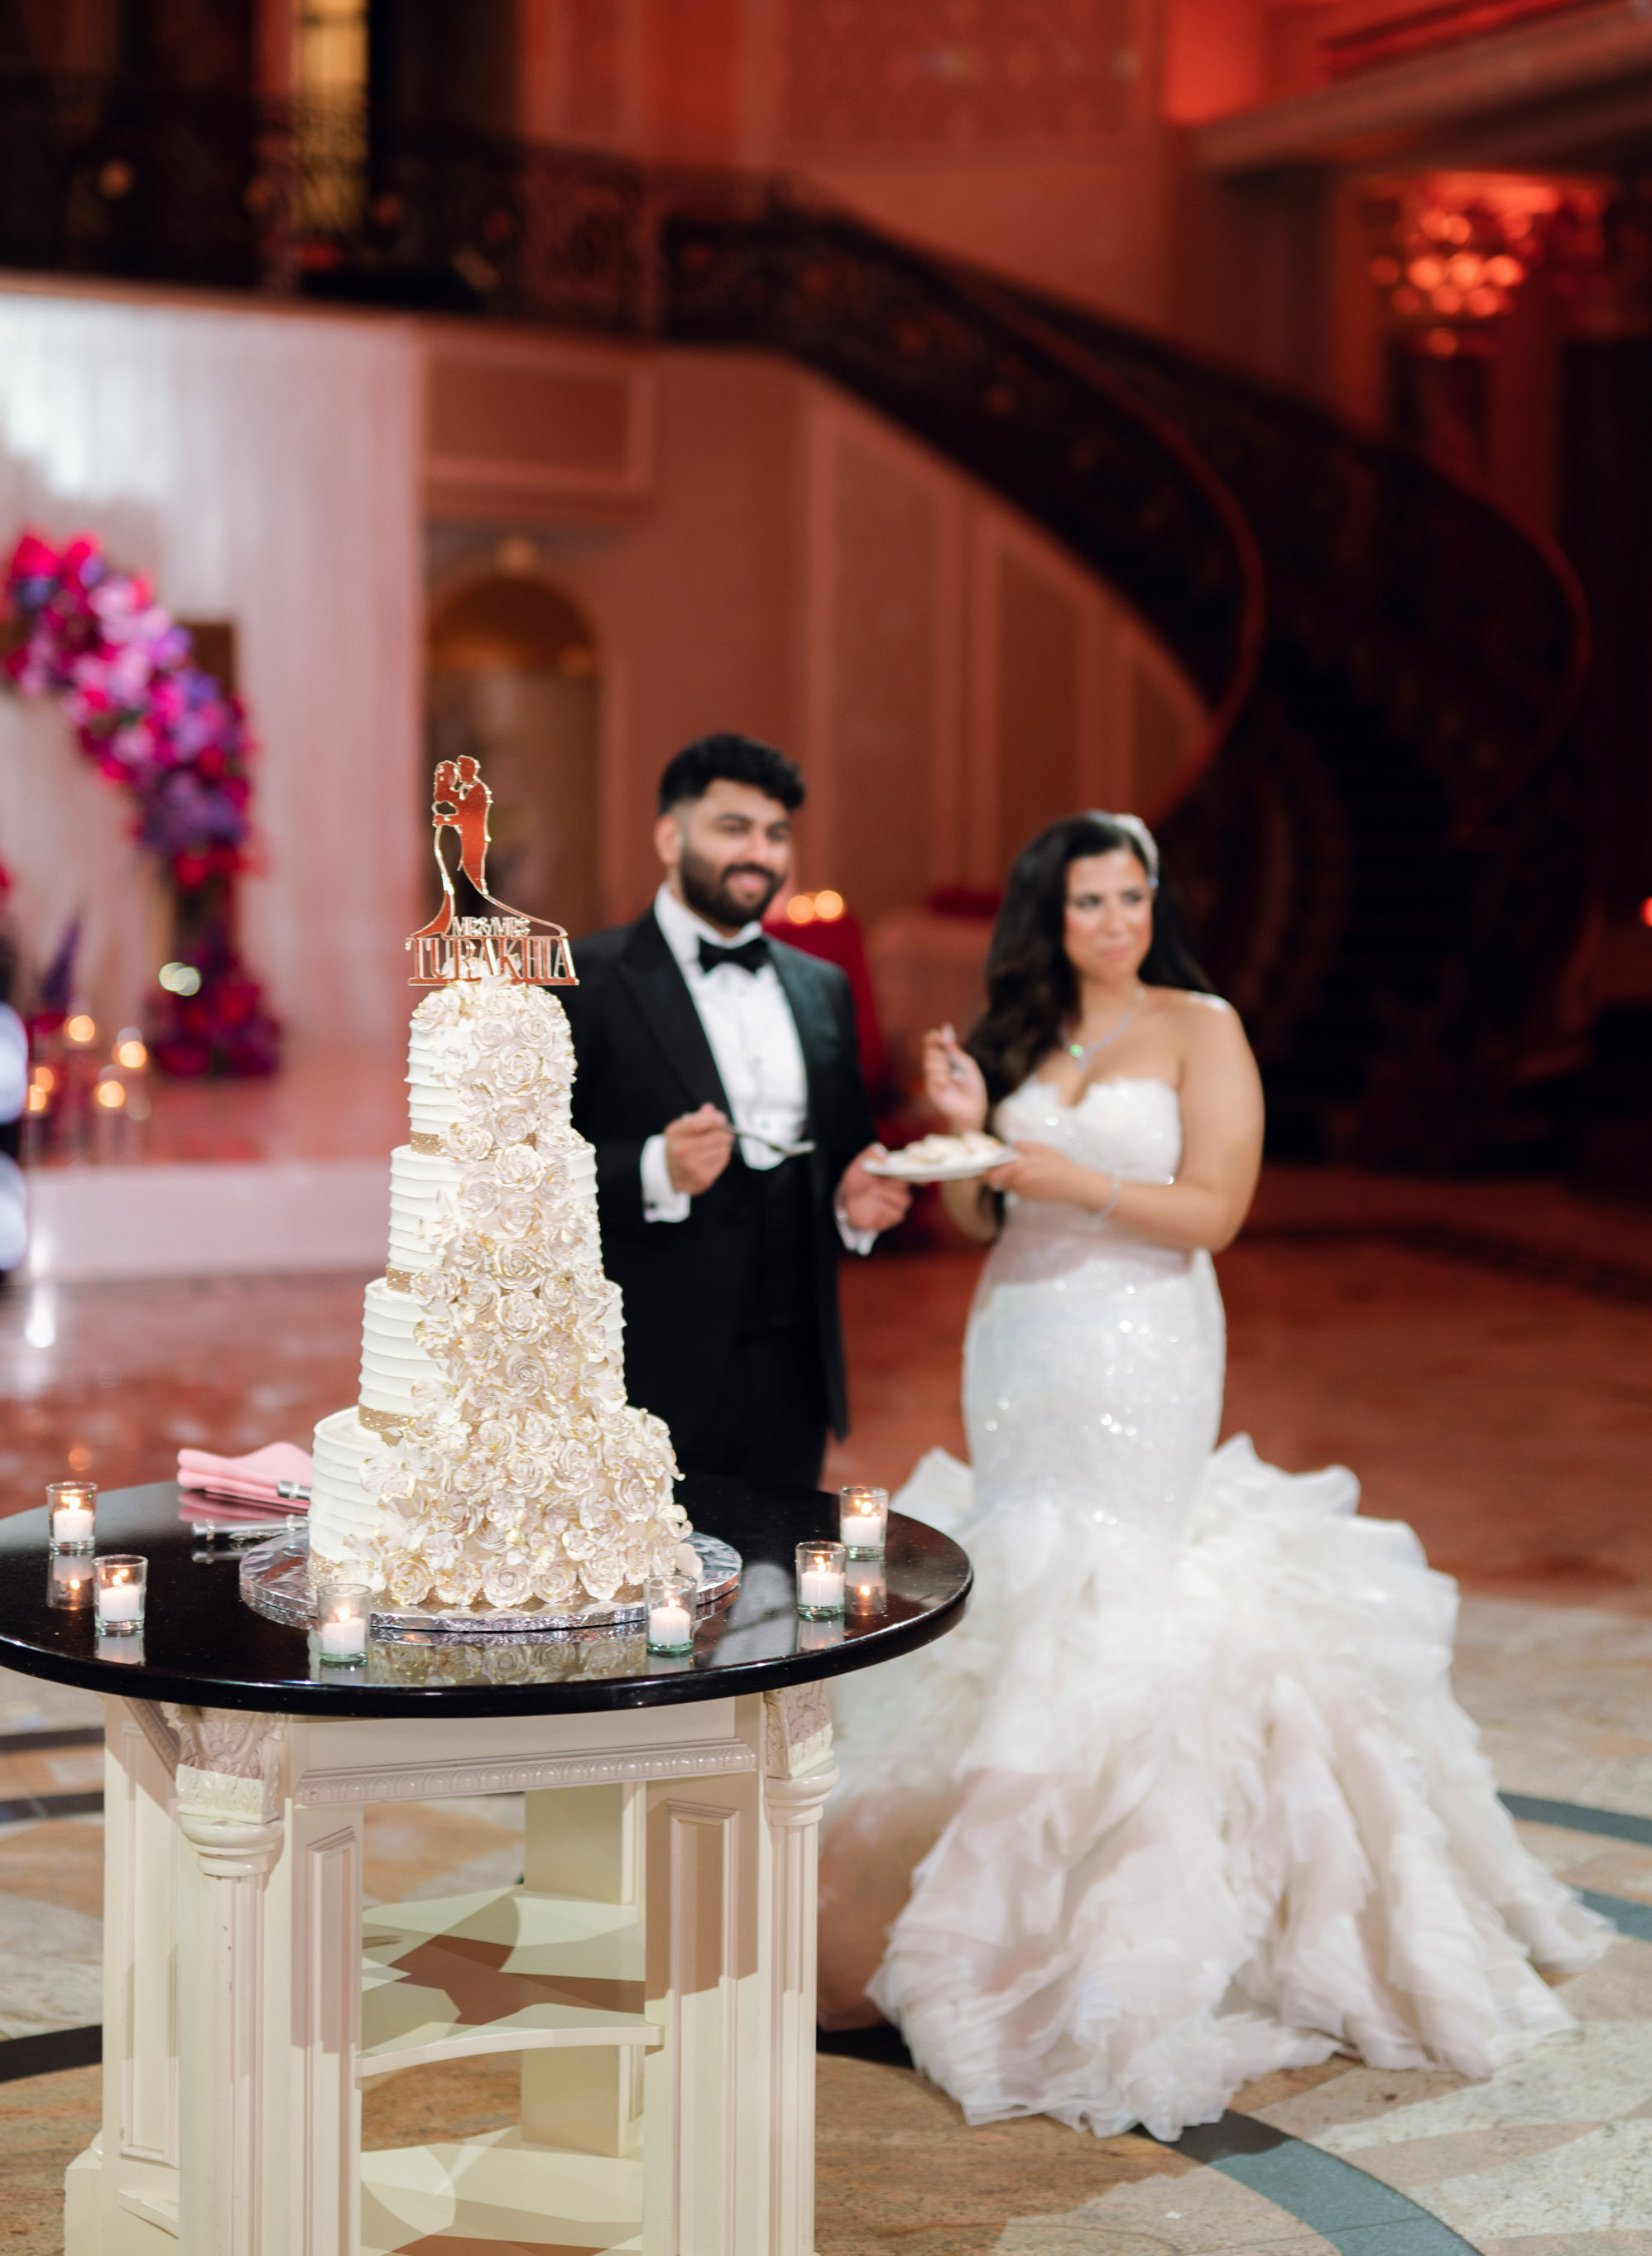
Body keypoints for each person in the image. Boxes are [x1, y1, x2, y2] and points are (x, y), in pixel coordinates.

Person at [817, 808, 1606, 2142]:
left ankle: (1104, 1916)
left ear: (1153, 904)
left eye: (1131, 899)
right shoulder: (1024, 1036)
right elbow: (978, 1207)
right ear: (1046, 916)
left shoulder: (1203, 1024)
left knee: (1116, 1578)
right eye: (1088, 904)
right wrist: (967, 1132)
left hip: (1143, 1336)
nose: (1114, 923)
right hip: (1020, 1334)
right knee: (1015, 1561)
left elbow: (1218, 1210)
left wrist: (1072, 1176)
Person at [564, 733, 909, 1489]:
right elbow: (522, 1179)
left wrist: (855, 1201)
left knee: (782, 1589)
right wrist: (656, 1166)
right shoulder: (586, 979)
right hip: (649, 1370)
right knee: (659, 1598)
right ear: (669, 835)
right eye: (733, 828)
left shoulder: (823, 986)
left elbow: (847, 1148)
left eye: (776, 833)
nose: (759, 851)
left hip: (795, 1371)